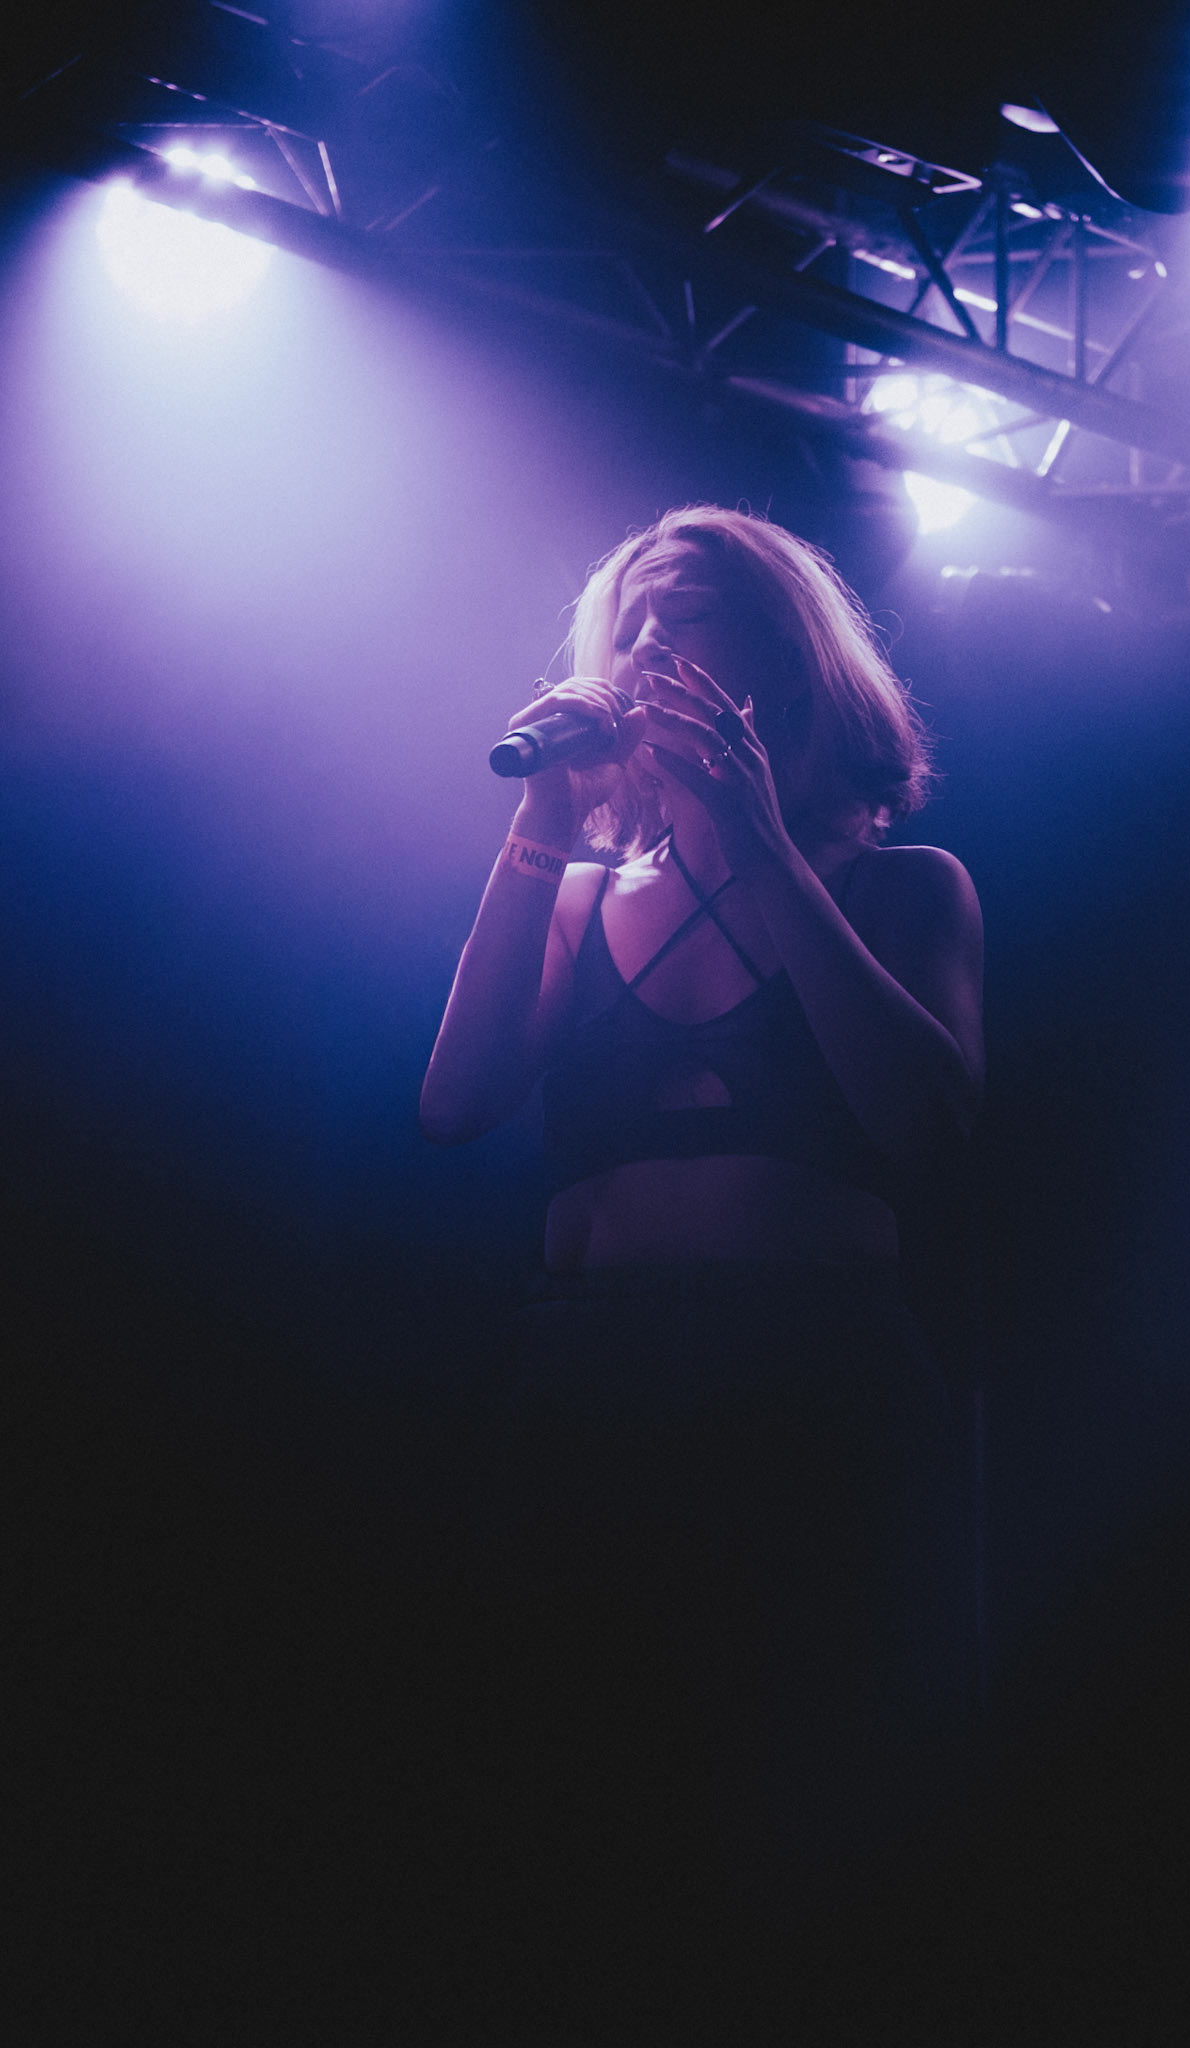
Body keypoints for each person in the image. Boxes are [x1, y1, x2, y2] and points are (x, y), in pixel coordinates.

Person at [420, 506, 984, 1918]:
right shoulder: (577, 895)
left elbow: (928, 1126)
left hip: (809, 1375)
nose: (647, 647)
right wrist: (541, 823)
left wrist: (755, 838)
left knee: (806, 1808)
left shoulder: (905, 889)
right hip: (586, 1376)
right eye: (632, 624)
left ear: (786, 661)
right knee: (568, 1809)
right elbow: (455, 1102)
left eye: (689, 614)